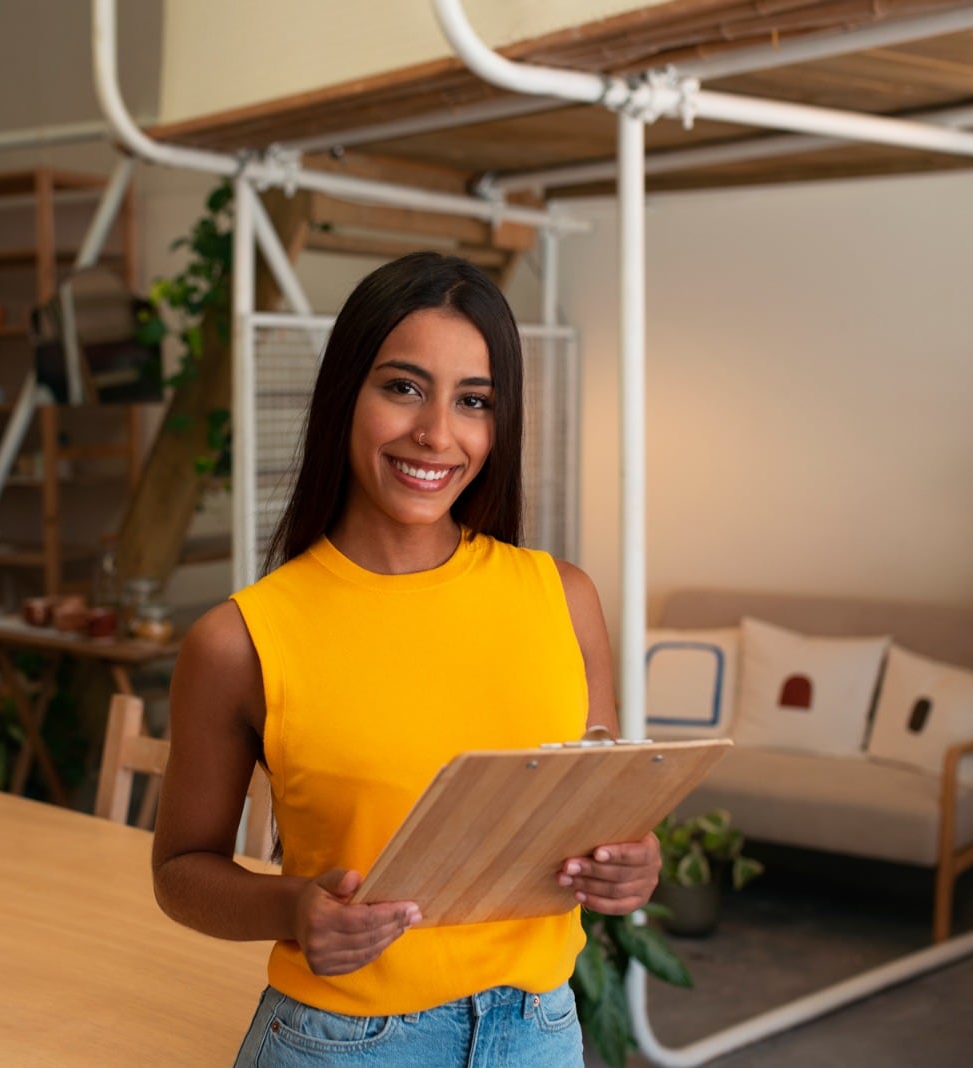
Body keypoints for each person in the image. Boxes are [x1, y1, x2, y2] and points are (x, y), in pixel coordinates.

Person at [153, 251, 661, 1066]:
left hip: (540, 1034)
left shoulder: (563, 598)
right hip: (345, 1044)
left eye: (473, 401)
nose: (436, 433)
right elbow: (181, 871)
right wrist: (295, 909)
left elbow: (604, 810)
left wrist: (631, 865)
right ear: (345, 394)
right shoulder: (241, 639)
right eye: (402, 387)